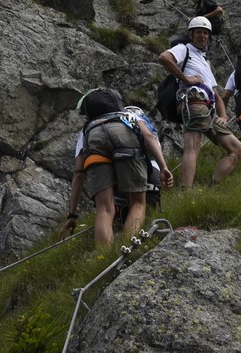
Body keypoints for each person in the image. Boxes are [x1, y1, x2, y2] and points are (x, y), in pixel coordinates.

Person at [59, 88, 167, 249]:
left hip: (96, 140)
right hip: (123, 134)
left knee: (104, 209)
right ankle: (127, 249)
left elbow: (79, 174)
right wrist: (164, 167)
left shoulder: (88, 129)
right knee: (137, 203)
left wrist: (72, 214)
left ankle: (104, 258)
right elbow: (149, 136)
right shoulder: (129, 115)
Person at [157, 17, 241, 187]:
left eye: (205, 33)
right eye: (198, 32)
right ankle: (186, 193)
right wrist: (185, 78)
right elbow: (164, 58)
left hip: (208, 108)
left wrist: (224, 115)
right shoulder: (184, 49)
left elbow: (215, 93)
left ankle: (212, 187)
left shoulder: (204, 62)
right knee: (192, 147)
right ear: (191, 35)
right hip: (194, 101)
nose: (202, 36)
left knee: (237, 149)